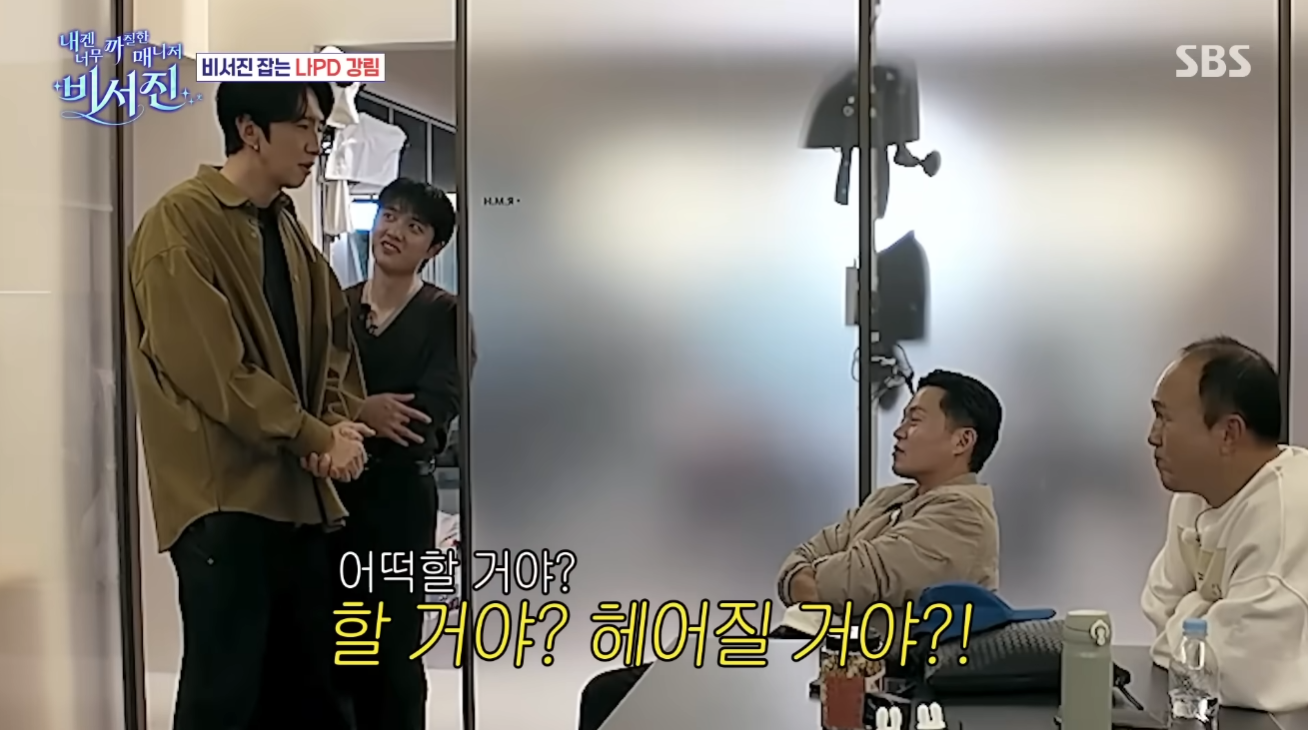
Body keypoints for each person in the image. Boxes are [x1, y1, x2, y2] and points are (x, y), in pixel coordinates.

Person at [124, 81, 372, 730]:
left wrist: (334, 422)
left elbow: (331, 338)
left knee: (307, 693)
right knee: (225, 694)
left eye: (321, 130)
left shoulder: (284, 222)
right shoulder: (181, 222)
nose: (316, 144)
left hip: (296, 495)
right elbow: (215, 371)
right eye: (303, 127)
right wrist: (315, 436)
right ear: (250, 131)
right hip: (225, 499)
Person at [578, 369, 1004, 730]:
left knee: (619, 696)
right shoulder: (889, 500)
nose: (899, 430)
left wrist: (819, 581)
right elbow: (799, 562)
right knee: (615, 691)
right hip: (808, 656)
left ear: (961, 441)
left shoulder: (961, 515)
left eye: (915, 419)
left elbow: (842, 582)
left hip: (869, 683)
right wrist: (815, 580)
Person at [331, 178, 467, 730]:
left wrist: (344, 417)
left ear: (434, 248)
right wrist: (362, 409)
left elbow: (428, 413)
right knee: (338, 645)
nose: (394, 231)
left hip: (401, 498)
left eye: (415, 226)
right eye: (389, 216)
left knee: (395, 648)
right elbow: (307, 392)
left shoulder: (445, 314)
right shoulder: (336, 309)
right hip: (331, 497)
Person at [1141, 336, 1308, 712]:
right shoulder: (1195, 494)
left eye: (1165, 418)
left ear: (1229, 433)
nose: (1152, 436)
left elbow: (1243, 673)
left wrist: (1192, 611)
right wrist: (1207, 620)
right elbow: (1157, 609)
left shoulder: (1287, 511)